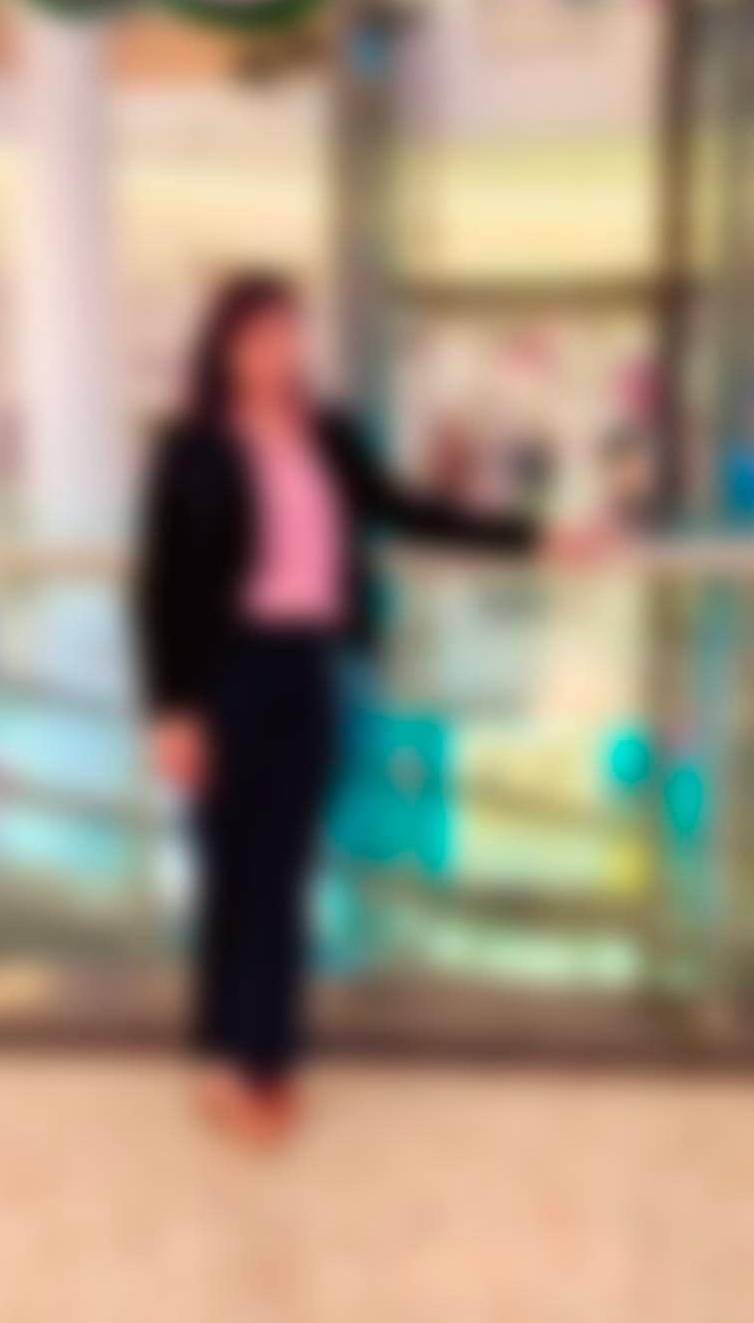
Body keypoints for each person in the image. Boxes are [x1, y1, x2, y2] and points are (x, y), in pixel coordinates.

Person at [132, 273, 597, 1144]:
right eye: (258, 334)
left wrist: (533, 537)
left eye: (287, 333)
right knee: (228, 869)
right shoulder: (190, 447)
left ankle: (266, 1058)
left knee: (281, 870)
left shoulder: (328, 434)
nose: (277, 350)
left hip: (311, 669)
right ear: (223, 346)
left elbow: (405, 509)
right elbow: (163, 587)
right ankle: (222, 1053)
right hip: (226, 674)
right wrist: (172, 711)